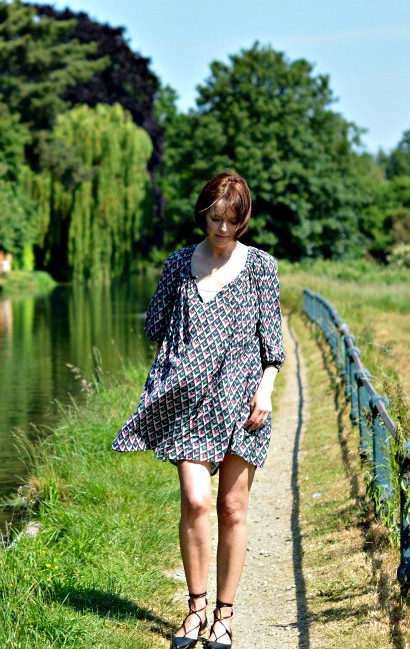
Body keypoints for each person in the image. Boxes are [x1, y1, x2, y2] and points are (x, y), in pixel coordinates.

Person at [111, 170, 285, 648]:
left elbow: (274, 345)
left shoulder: (262, 268)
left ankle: (224, 616)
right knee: (195, 500)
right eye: (214, 219)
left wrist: (264, 392)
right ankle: (196, 607)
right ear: (202, 215)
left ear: (242, 220)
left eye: (231, 221)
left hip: (242, 401)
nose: (222, 230)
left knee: (232, 507)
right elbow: (155, 327)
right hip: (187, 401)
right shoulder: (177, 264)